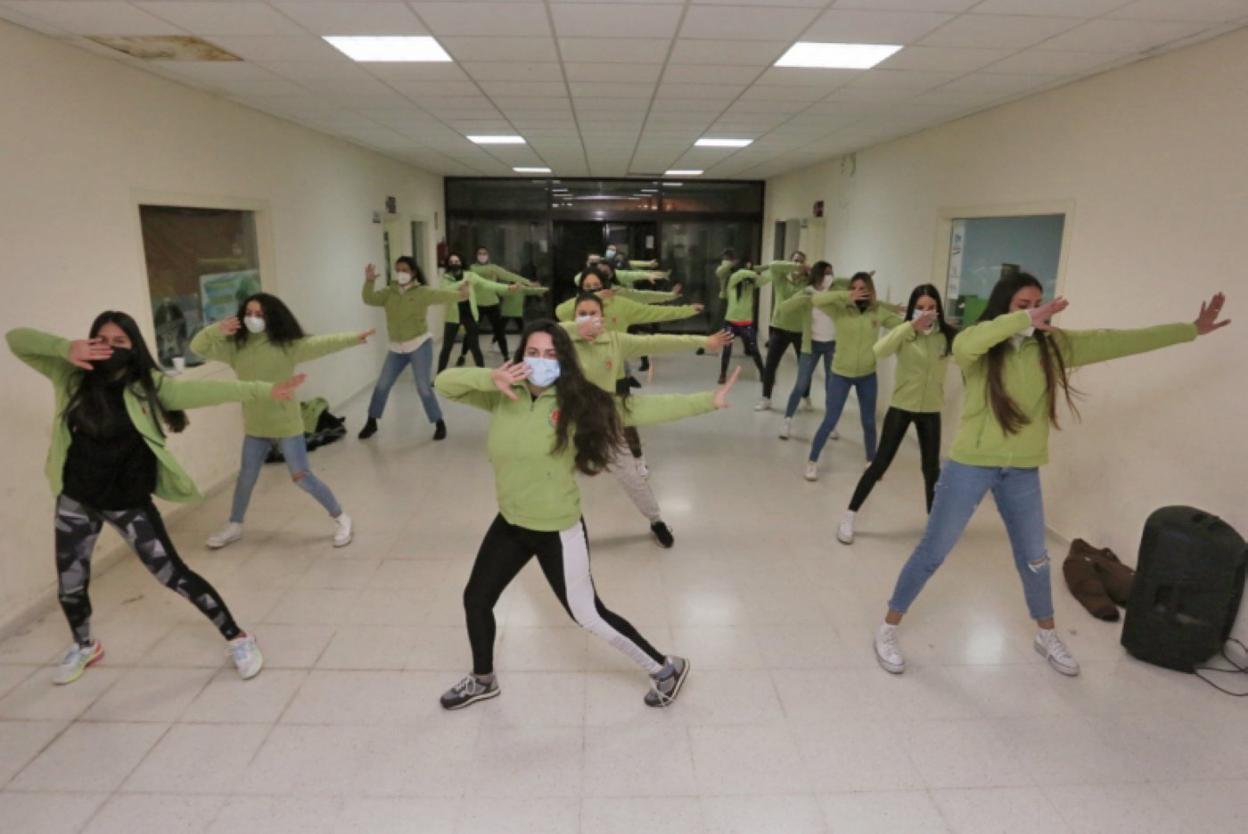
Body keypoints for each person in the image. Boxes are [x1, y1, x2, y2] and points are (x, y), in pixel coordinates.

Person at [873, 275, 1230, 678]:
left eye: (1039, 302)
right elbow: (970, 342)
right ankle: (888, 627)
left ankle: (1046, 634)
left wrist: (1190, 331)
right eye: (1024, 303)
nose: (1035, 309)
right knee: (932, 552)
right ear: (1005, 305)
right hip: (970, 465)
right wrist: (1024, 319)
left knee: (1036, 559)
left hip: (1022, 470)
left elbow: (1116, 339)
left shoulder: (1052, 346)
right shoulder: (976, 343)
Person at [434, 320, 741, 710]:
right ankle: (483, 680)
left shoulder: (578, 404)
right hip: (511, 522)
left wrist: (706, 401)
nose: (540, 361)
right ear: (518, 357)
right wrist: (488, 376)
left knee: (588, 614)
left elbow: (642, 408)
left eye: (550, 354)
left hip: (556, 529)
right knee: (476, 599)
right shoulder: (501, 394)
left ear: (563, 361)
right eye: (532, 353)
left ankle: (665, 668)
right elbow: (443, 382)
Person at [7, 315, 306, 685]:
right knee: (71, 583)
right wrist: (64, 348)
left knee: (174, 575)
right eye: (101, 339)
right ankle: (84, 645)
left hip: (128, 501)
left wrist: (265, 390)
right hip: (76, 498)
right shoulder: (70, 376)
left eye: (119, 340)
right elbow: (16, 338)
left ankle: (239, 638)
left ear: (134, 345)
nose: (110, 346)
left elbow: (211, 393)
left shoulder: (150, 386)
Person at [192, 293, 372, 550]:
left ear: (272, 317)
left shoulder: (286, 346)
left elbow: (322, 344)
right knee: (246, 477)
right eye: (249, 313)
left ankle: (342, 518)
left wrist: (354, 338)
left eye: (260, 314)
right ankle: (234, 525)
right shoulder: (235, 348)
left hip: (286, 425)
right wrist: (215, 330)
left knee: (302, 477)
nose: (253, 319)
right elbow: (197, 348)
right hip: (255, 426)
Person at [565, 292, 733, 547]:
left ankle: (656, 520)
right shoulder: (561, 341)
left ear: (604, 317)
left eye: (593, 314)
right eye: (582, 314)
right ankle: (565, 531)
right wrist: (576, 329)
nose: (588, 319)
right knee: (557, 480)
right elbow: (543, 332)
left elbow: (657, 342)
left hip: (607, 419)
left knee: (632, 477)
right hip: (568, 425)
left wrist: (703, 340)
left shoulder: (615, 341)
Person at [838, 284, 957, 544]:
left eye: (932, 308)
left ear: (938, 309)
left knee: (931, 469)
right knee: (880, 463)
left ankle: (933, 524)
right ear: (913, 309)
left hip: (930, 410)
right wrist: (909, 327)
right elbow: (879, 351)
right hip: (902, 407)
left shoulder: (944, 336)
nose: (926, 313)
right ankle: (849, 514)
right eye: (921, 308)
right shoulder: (905, 333)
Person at [556, 265, 704, 470]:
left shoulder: (620, 304)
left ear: (606, 284)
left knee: (624, 418)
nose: (593, 290)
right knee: (577, 416)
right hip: (584, 374)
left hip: (615, 372)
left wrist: (686, 310)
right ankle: (581, 456)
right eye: (587, 287)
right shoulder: (577, 309)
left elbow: (652, 311)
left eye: (596, 286)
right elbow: (559, 312)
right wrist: (589, 297)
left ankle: (637, 459)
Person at [804, 272, 903, 481]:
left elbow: (901, 326)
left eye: (863, 288)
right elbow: (816, 299)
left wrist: (918, 321)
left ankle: (871, 461)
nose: (859, 292)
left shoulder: (877, 312)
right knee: (830, 420)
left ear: (870, 290)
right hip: (841, 374)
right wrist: (844, 296)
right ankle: (812, 461)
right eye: (855, 288)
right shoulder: (840, 309)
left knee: (868, 421)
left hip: (867, 375)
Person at [358, 258, 468, 441]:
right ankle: (371, 422)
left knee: (423, 387)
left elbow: (441, 294)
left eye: (405, 270)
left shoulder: (422, 292)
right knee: (382, 385)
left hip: (419, 345)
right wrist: (369, 281)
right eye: (398, 269)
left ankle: (439, 422)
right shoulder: (388, 293)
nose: (401, 273)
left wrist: (461, 294)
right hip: (396, 348)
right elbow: (368, 299)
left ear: (413, 272)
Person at [774, 261, 849, 441]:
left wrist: (864, 278)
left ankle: (830, 425)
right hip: (811, 346)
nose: (830, 277)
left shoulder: (835, 291)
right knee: (801, 385)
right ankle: (787, 421)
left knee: (832, 387)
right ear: (817, 275)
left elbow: (847, 284)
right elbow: (784, 308)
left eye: (832, 273)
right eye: (826, 273)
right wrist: (805, 298)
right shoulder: (807, 292)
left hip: (831, 345)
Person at [757, 251, 811, 411]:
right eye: (795, 261)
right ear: (790, 262)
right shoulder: (780, 277)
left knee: (805, 366)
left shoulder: (809, 282)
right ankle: (766, 398)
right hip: (779, 328)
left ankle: (806, 396)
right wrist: (798, 266)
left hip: (800, 331)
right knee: (771, 364)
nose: (798, 264)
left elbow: (827, 279)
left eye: (801, 262)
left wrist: (807, 270)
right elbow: (773, 264)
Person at [467, 246, 543, 359]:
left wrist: (528, 282)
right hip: (477, 305)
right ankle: (463, 355)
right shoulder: (472, 269)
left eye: (484, 253)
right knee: (471, 332)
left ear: (488, 255)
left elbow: (509, 275)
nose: (482, 255)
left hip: (493, 304)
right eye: (480, 253)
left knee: (499, 332)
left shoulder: (493, 268)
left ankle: (506, 356)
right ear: (476, 255)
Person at [719, 261, 770, 384]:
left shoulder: (751, 284)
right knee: (727, 350)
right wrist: (753, 271)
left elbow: (766, 279)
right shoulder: (732, 281)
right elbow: (741, 273)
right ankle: (722, 374)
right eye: (746, 268)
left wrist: (771, 267)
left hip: (746, 323)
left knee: (754, 349)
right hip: (730, 322)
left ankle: (763, 374)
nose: (748, 272)